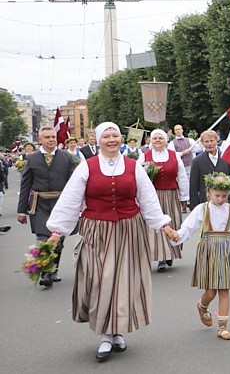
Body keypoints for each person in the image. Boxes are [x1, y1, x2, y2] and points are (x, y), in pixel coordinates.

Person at [45, 122, 172, 361]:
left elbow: (148, 199)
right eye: (107, 136)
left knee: (124, 282)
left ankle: (116, 332)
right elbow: (71, 200)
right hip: (97, 231)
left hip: (129, 230)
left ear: (121, 139)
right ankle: (105, 333)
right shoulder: (87, 167)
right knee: (101, 280)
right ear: (99, 140)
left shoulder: (134, 167)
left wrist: (163, 225)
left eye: (115, 135)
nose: (112, 139)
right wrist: (57, 231)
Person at [168, 172, 230, 341]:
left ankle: (223, 327)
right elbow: (188, 228)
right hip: (208, 250)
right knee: (211, 292)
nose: (220, 199)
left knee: (224, 289)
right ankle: (202, 306)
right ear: (209, 192)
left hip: (226, 250)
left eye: (224, 196)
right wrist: (177, 235)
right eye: (217, 195)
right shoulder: (202, 209)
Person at [16, 126, 77, 286]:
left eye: (53, 137)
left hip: (61, 204)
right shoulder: (32, 158)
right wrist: (21, 211)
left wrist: (77, 206)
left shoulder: (67, 158)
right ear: (40, 140)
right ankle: (45, 272)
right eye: (47, 137)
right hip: (40, 204)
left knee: (58, 240)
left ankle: (53, 269)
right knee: (43, 237)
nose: (51, 139)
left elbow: (75, 183)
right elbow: (25, 185)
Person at [141, 129, 189, 272]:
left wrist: (184, 196)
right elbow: (138, 175)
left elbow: (182, 176)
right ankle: (161, 257)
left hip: (171, 195)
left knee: (172, 223)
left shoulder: (174, 156)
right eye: (154, 138)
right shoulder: (145, 156)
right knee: (157, 226)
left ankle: (170, 253)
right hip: (153, 196)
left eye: (160, 138)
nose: (157, 140)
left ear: (165, 140)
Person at [189, 130, 230, 210]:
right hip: (206, 204)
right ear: (202, 143)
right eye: (206, 141)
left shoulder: (226, 158)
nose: (209, 144)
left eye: (211, 141)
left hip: (225, 202)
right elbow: (193, 187)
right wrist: (194, 208)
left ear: (217, 141)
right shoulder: (197, 161)